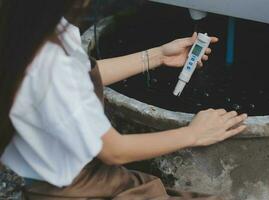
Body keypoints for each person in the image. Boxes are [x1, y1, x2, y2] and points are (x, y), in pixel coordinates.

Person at [0, 0, 247, 199]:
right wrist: (194, 133)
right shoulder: (49, 65)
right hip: (74, 189)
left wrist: (158, 55)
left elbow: (84, 76)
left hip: (45, 177)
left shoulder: (25, 30)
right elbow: (114, 151)